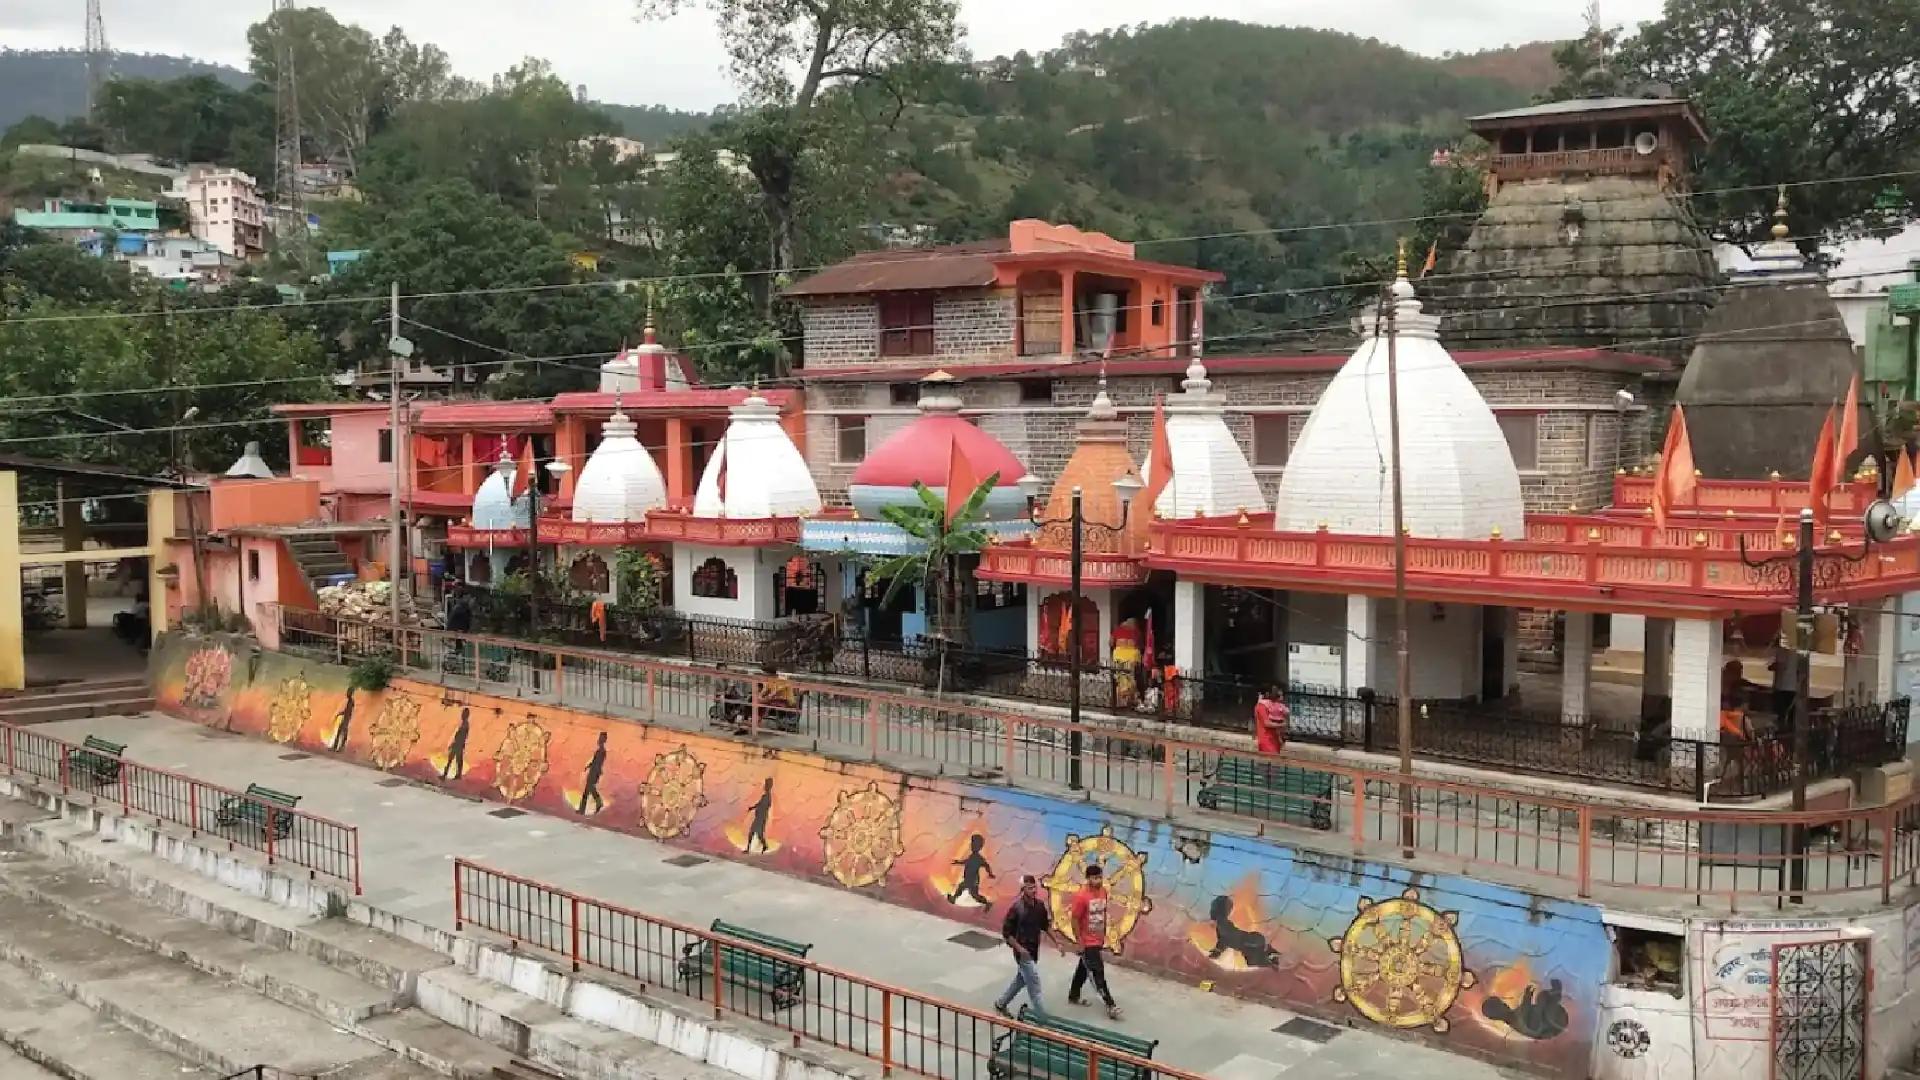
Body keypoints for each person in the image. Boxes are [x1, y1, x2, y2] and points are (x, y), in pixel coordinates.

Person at [1065, 863, 1122, 1020]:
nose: (1098, 880)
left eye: (1100, 877)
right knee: (1098, 973)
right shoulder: (1081, 896)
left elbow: (1101, 914)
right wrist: (1079, 941)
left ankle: (1073, 995)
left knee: (1084, 968)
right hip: (1087, 941)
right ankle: (1110, 1005)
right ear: (1088, 878)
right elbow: (1075, 920)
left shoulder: (1103, 892)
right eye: (1095, 878)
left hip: (1098, 939)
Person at [993, 875, 1050, 1018]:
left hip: (1033, 950)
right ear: (1023, 889)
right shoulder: (1017, 908)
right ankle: (1042, 1018)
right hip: (1022, 953)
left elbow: (1046, 926)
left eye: (1034, 887)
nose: (1033, 890)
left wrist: (1058, 943)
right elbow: (1007, 933)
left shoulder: (1040, 906)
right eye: (1029, 888)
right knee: (1034, 985)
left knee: (1021, 980)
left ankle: (1001, 1003)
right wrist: (1020, 949)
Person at [1254, 686, 1289, 754]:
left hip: (1274, 739)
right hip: (1267, 739)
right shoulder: (1262, 706)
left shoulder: (1273, 706)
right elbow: (1266, 723)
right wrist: (1282, 724)